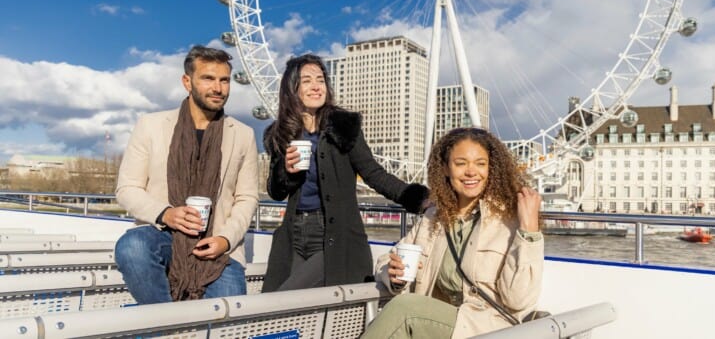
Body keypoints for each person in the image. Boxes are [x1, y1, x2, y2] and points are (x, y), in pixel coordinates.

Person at [261, 54, 429, 292]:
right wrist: (286, 171)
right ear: (291, 88)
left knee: (282, 299)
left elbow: (373, 173)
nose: (316, 86)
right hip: (293, 233)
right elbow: (275, 192)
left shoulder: (343, 126)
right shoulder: (280, 133)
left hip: (332, 233)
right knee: (294, 312)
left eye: (320, 79)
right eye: (307, 80)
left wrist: (421, 199)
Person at [363, 127, 543, 339]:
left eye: (480, 163)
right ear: (446, 169)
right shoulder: (434, 218)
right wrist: (394, 276)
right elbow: (388, 259)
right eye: (460, 163)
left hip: (487, 327)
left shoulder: (509, 221)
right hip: (438, 325)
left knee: (404, 311)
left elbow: (518, 300)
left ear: (491, 169)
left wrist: (529, 233)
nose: (471, 172)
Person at [114, 45, 259, 303]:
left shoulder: (243, 134)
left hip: (216, 244)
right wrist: (166, 214)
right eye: (208, 78)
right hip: (164, 235)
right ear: (187, 82)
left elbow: (247, 198)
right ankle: (168, 326)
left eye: (224, 80)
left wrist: (225, 240)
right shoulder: (151, 126)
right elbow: (127, 189)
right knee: (132, 246)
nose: (218, 88)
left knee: (230, 320)